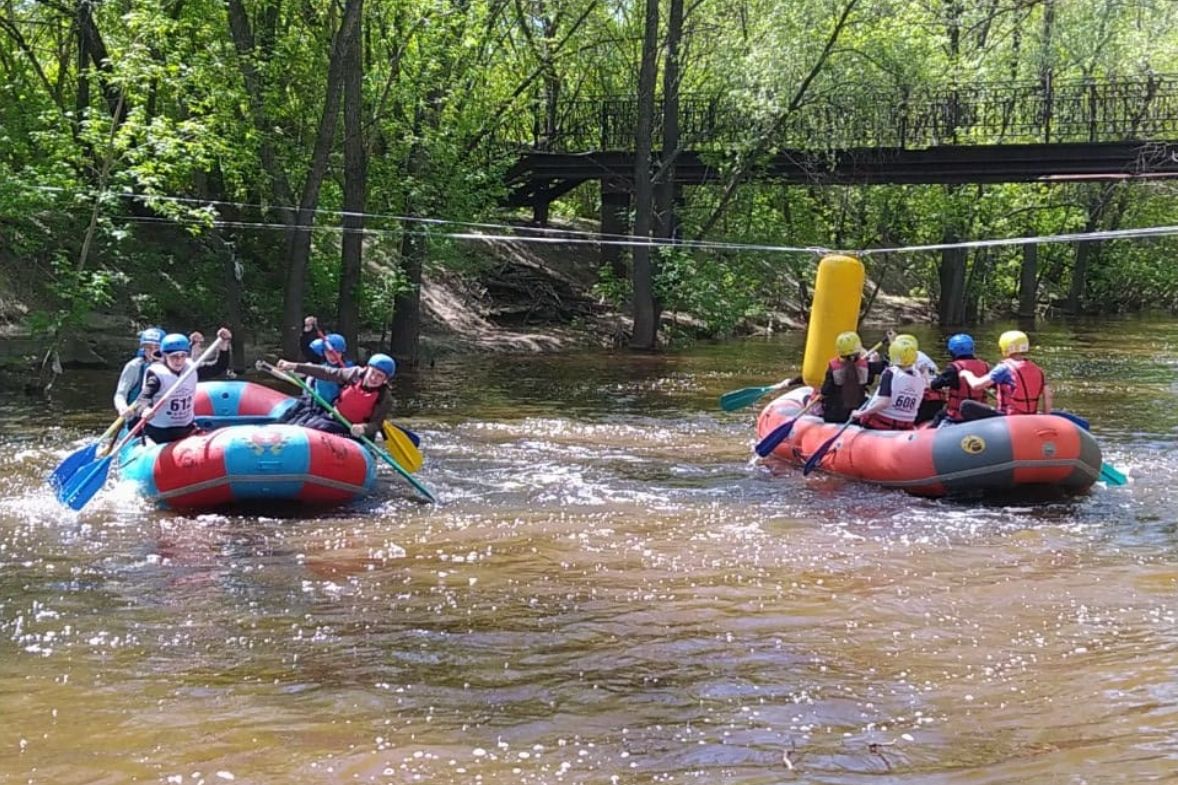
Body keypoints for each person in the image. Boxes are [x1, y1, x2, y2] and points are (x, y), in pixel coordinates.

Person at [129, 329, 233, 443]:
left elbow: (218, 367)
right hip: (159, 431)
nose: (179, 361)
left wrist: (224, 344)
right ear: (164, 356)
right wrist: (145, 410)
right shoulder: (157, 375)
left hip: (185, 427)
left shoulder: (191, 368)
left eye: (182, 356)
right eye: (174, 357)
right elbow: (142, 400)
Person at [276, 354, 396, 439]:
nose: (374, 378)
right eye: (373, 372)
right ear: (367, 369)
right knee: (309, 424)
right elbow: (326, 372)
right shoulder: (354, 374)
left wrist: (363, 428)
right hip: (333, 418)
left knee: (322, 427)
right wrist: (295, 366)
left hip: (351, 432)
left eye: (379, 376)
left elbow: (376, 424)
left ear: (385, 380)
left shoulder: (385, 398)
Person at [958, 330, 1052, 420]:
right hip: (1030, 417)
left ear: (1005, 347)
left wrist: (967, 374)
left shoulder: (1003, 368)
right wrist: (1045, 417)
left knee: (966, 405)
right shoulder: (1038, 370)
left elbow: (976, 385)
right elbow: (1048, 396)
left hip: (1007, 418)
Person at [851, 337, 927, 430]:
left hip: (882, 423)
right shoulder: (920, 375)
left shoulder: (890, 373)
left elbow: (883, 403)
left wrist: (861, 413)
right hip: (907, 424)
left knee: (858, 415)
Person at [818, 331, 888, 423]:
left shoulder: (833, 366)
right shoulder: (866, 365)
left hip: (834, 415)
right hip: (856, 415)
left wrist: (821, 396)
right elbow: (886, 366)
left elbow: (825, 391)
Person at [929, 333, 990, 426]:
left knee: (939, 415)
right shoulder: (985, 366)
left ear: (953, 352)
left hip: (958, 416)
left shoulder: (953, 368)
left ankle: (929, 435)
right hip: (980, 415)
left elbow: (934, 385)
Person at [114, 327, 164, 416]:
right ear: (143, 348)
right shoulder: (134, 366)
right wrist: (123, 408)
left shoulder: (171, 365)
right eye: (148, 347)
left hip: (161, 417)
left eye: (156, 347)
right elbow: (120, 394)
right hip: (136, 416)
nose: (152, 351)